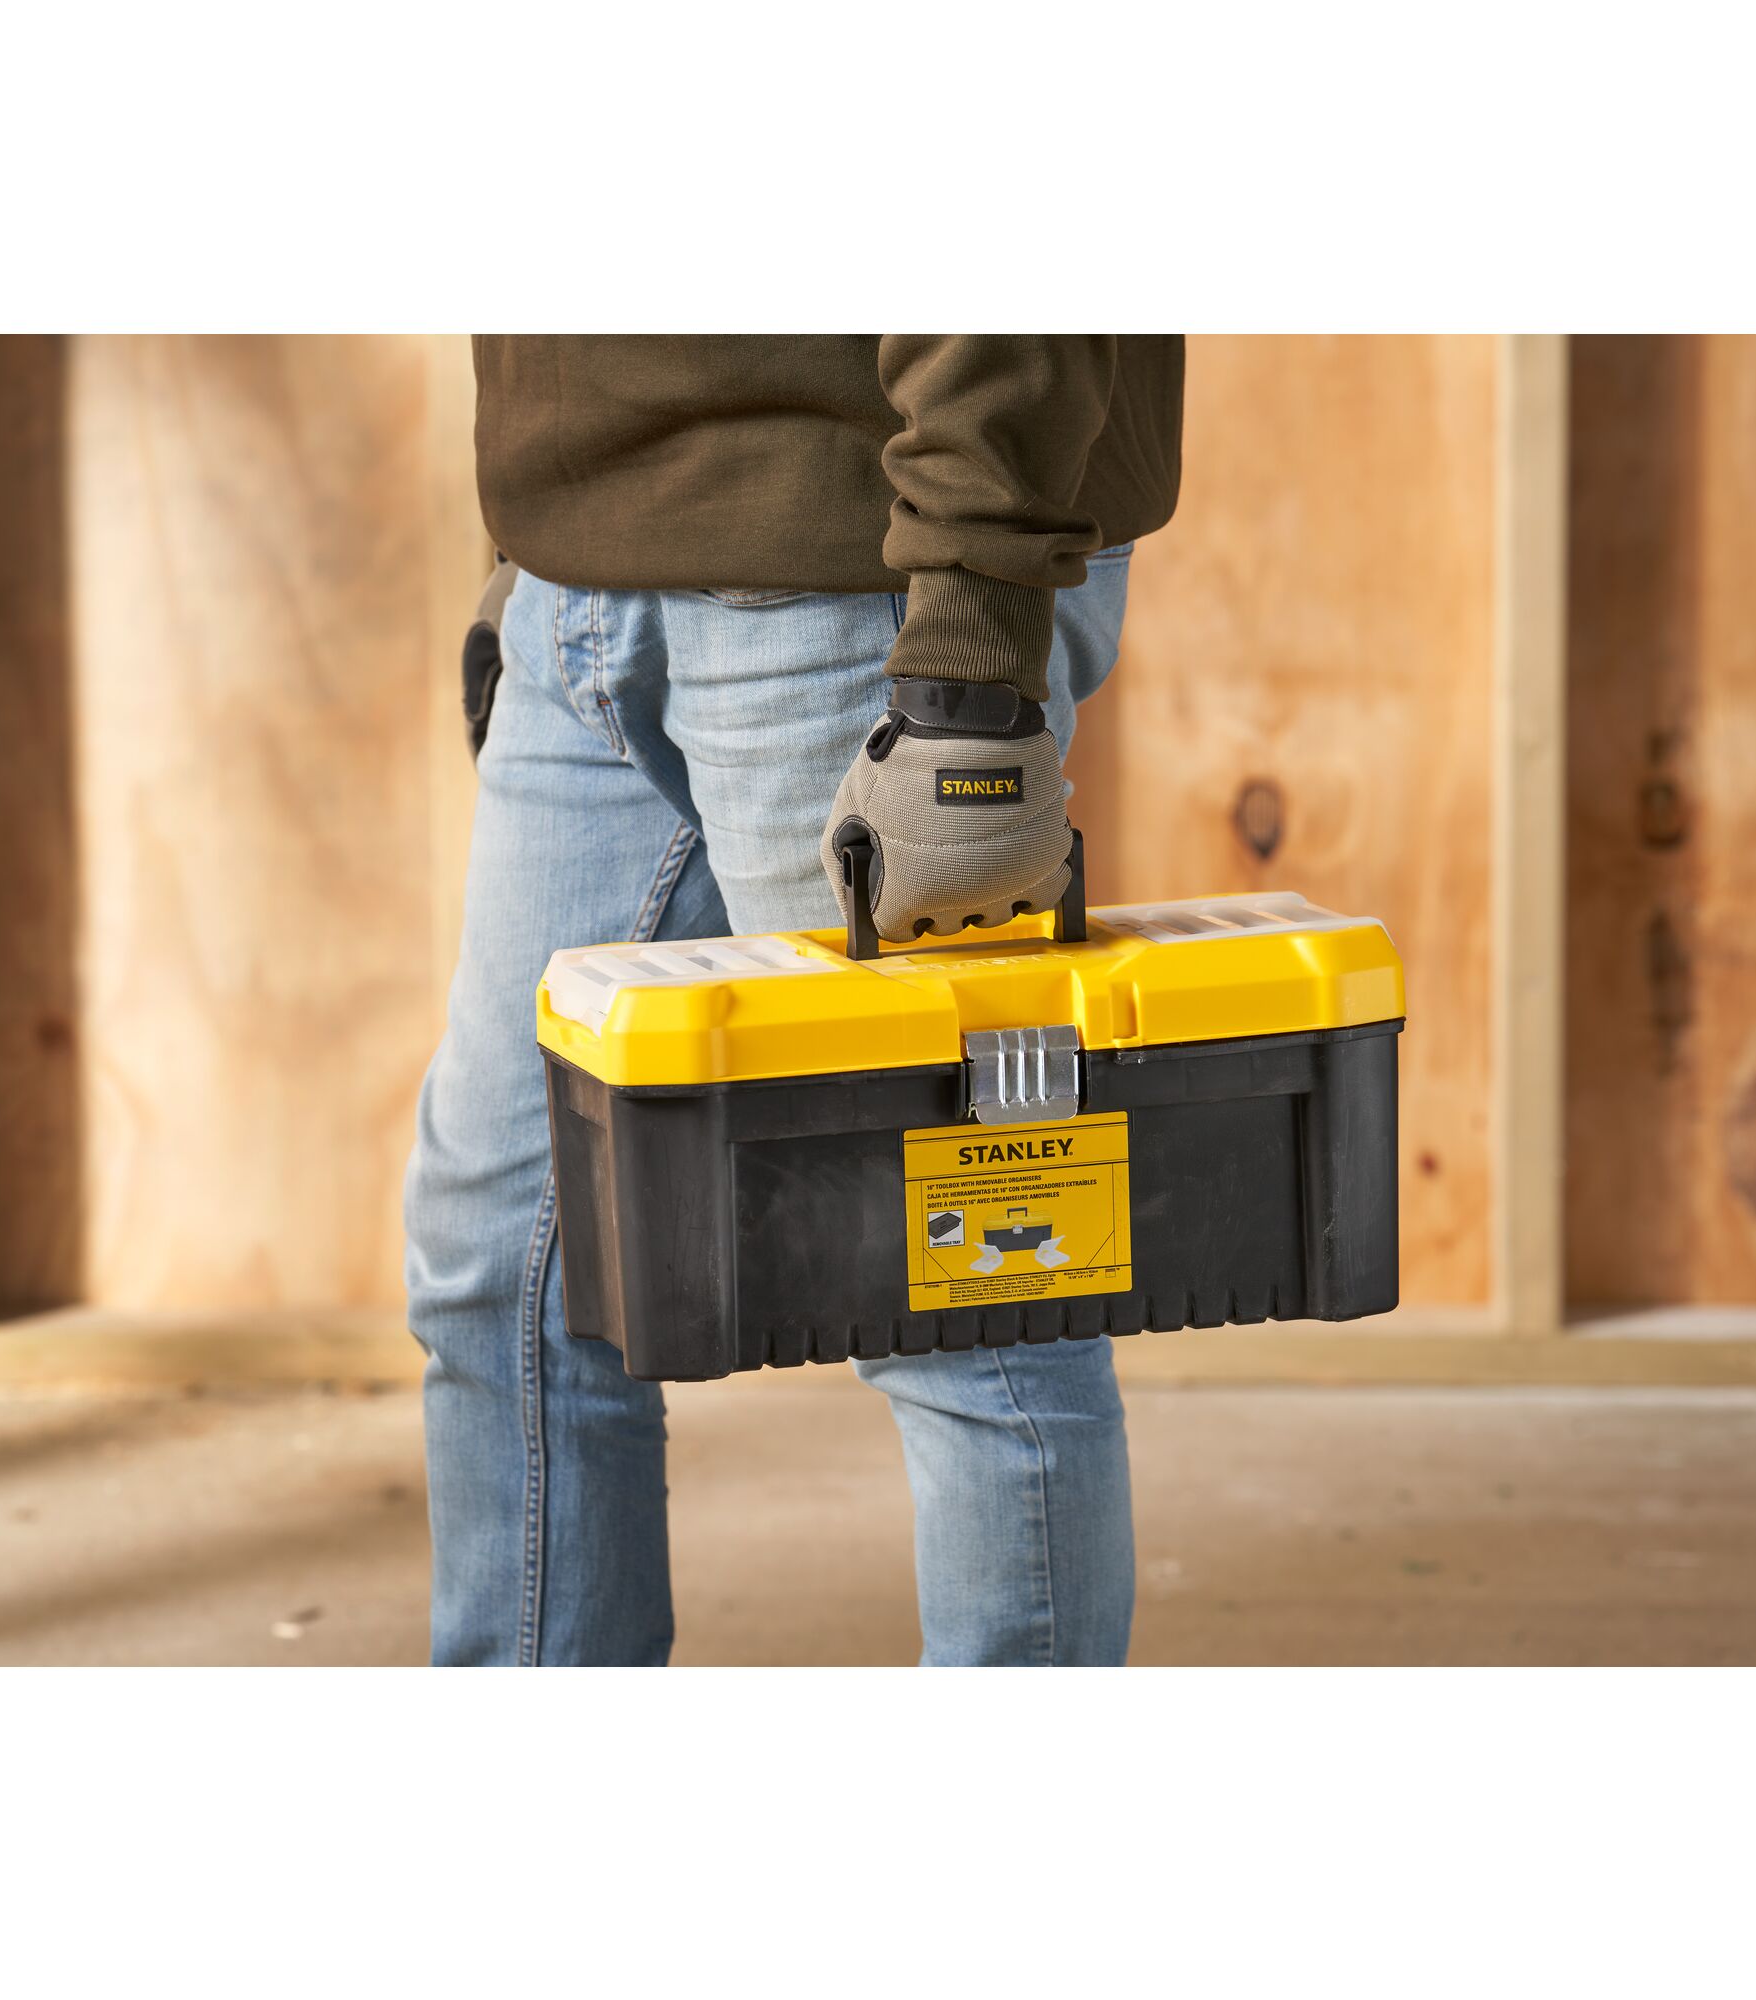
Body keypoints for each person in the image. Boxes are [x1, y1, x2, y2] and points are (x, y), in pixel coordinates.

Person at [405, 336, 1185, 1666]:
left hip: (857, 573)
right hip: (581, 580)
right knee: (505, 1267)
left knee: (969, 1301)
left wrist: (972, 641)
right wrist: (533, 536)